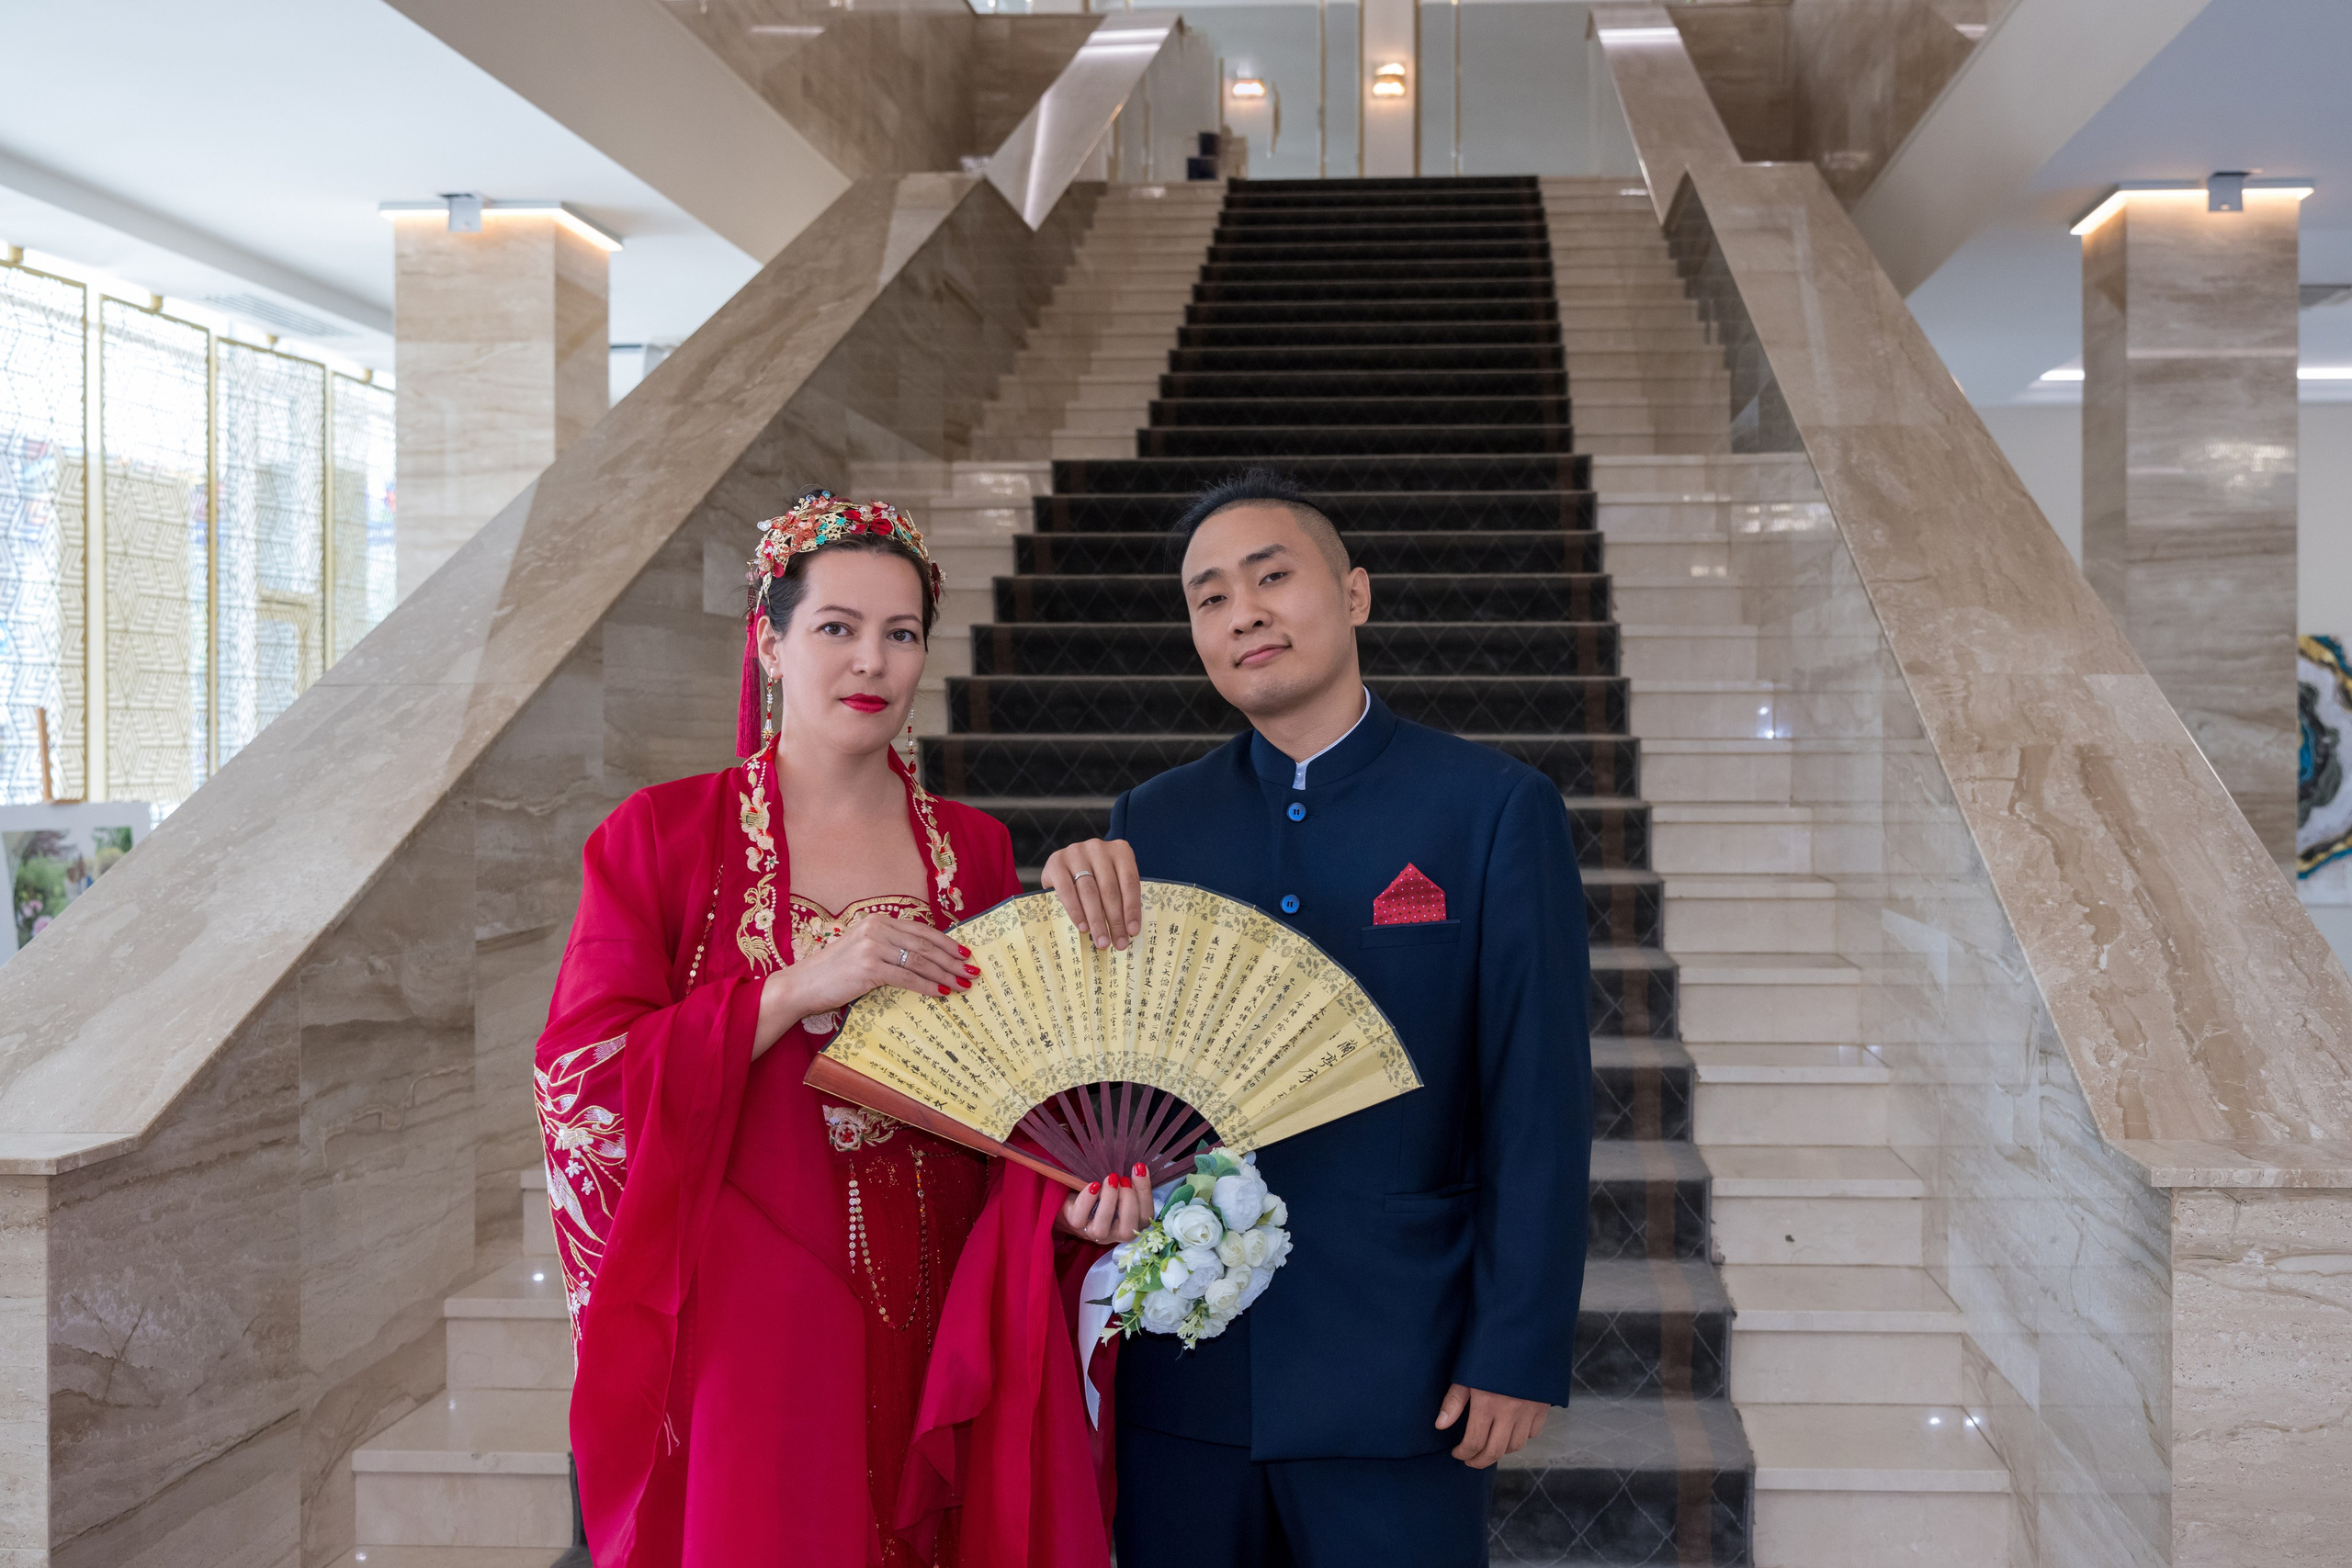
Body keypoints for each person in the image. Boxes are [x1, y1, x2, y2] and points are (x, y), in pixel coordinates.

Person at [532, 491, 1143, 1568]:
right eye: (836, 629)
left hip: (941, 1293)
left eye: (900, 635)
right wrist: (794, 990)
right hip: (748, 1305)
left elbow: (1013, 1100)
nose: (873, 662)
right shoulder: (661, 836)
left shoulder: (977, 851)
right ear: (768, 645)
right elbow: (580, 1081)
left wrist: (1072, 1204)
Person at [1042, 470, 1592, 1568]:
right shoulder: (1152, 823)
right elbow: (1108, 1072)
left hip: (1405, 1368)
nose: (1241, 611)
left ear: (1355, 596)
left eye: (1271, 576)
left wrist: (1517, 1345)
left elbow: (1538, 1102)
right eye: (1207, 597)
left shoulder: (1488, 809)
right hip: (1185, 1369)